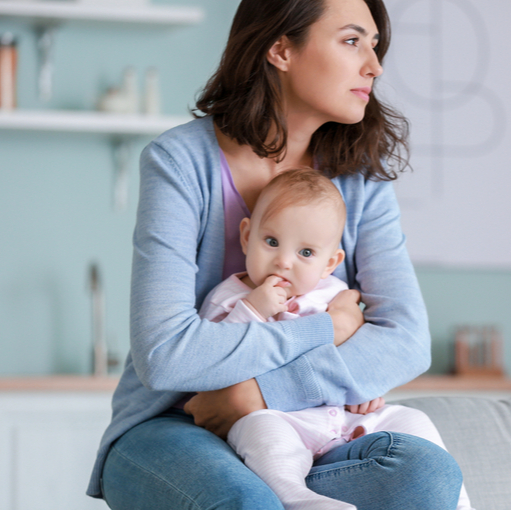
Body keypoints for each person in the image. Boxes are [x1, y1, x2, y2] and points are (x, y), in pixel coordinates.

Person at [90, 0, 470, 508]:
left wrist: (257, 394)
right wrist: (326, 330)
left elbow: (406, 341)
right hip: (177, 425)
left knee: (425, 474)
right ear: (280, 48)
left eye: (375, 46)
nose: (375, 66)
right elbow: (165, 356)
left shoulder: (359, 180)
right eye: (352, 41)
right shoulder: (180, 162)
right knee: (247, 503)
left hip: (308, 424)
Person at [199, 167, 466, 510]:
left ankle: (461, 504)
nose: (283, 262)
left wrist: (366, 384)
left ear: (331, 263)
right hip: (280, 417)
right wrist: (254, 310)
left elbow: (368, 349)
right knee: (262, 435)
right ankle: (296, 497)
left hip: (343, 418)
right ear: (246, 236)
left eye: (305, 253)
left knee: (414, 421)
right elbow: (211, 358)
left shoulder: (335, 296)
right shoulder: (229, 298)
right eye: (271, 242)